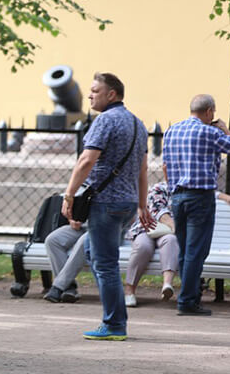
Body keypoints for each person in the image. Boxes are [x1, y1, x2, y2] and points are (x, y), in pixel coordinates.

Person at [60, 72, 147, 341]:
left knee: (105, 265)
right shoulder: (137, 123)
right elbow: (143, 169)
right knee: (94, 253)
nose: (89, 95)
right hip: (127, 203)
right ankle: (115, 319)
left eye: (95, 91)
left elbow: (86, 160)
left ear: (112, 94)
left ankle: (115, 324)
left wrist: (69, 194)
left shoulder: (105, 120)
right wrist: (142, 205)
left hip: (106, 203)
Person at [160, 94, 230, 316]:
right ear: (210, 111)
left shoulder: (172, 131)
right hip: (200, 198)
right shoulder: (210, 132)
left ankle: (190, 296)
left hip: (177, 197)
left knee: (186, 250)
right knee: (196, 251)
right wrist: (224, 129)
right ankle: (187, 301)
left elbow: (166, 165)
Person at [123, 181, 179, 307]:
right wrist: (176, 227)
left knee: (170, 241)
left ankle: (167, 285)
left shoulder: (187, 190)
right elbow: (159, 211)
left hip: (169, 233)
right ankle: (129, 290)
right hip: (147, 228)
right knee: (143, 247)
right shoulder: (159, 188)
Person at [42, 221, 87, 303]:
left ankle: (58, 287)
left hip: (105, 228)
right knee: (52, 240)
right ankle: (69, 288)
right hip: (84, 226)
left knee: (84, 241)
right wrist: (73, 219)